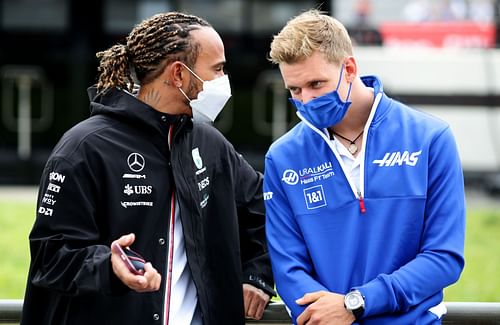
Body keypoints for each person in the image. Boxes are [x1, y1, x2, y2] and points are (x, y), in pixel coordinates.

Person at [21, 12, 275, 325]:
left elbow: (266, 211)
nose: (224, 81)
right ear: (179, 74)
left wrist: (257, 275)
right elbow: (50, 257)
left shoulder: (210, 143)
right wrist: (109, 267)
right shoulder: (84, 148)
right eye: (218, 69)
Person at [263, 9, 465, 325]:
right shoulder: (283, 157)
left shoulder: (430, 139)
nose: (307, 100)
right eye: (295, 90)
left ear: (350, 69)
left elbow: (444, 258)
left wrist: (357, 303)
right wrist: (330, 314)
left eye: (317, 83)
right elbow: (289, 269)